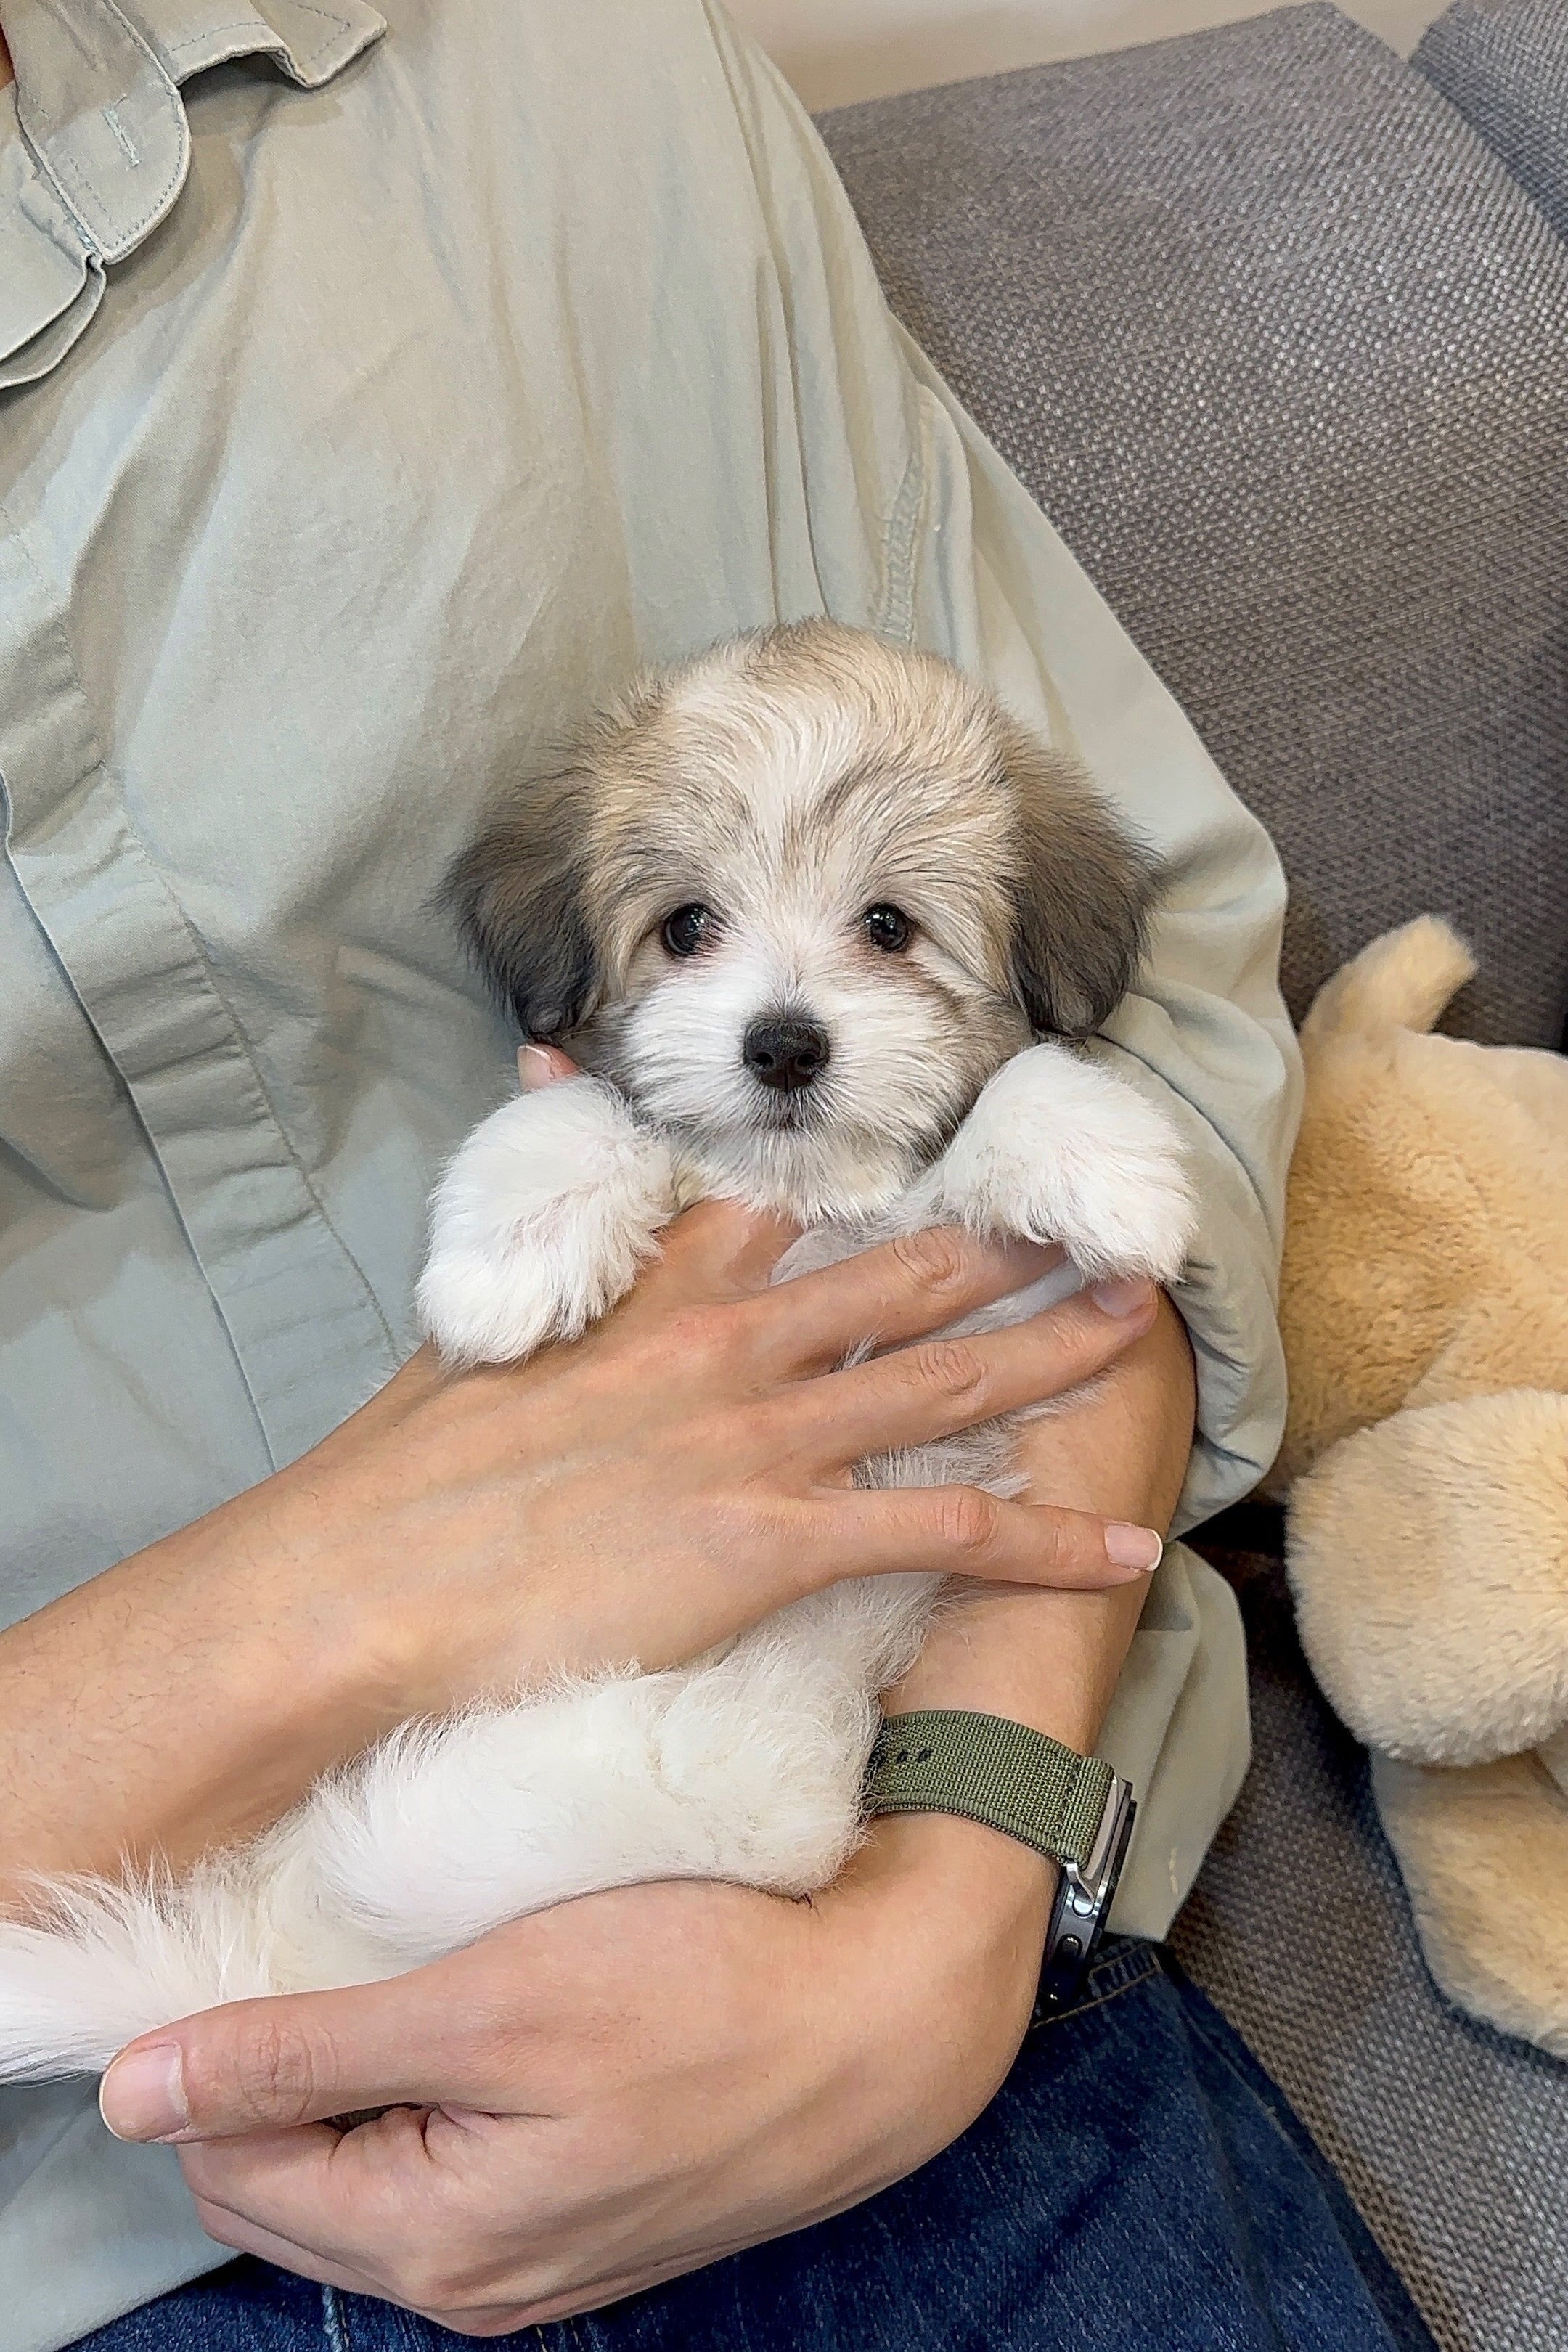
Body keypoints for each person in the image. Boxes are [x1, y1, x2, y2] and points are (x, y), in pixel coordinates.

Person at [0, 2, 1431, 2347]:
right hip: (94, 2207)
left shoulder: (556, 75)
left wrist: (952, 1881)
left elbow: (1128, 1017)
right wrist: (343, 1598)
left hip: (934, 1961)